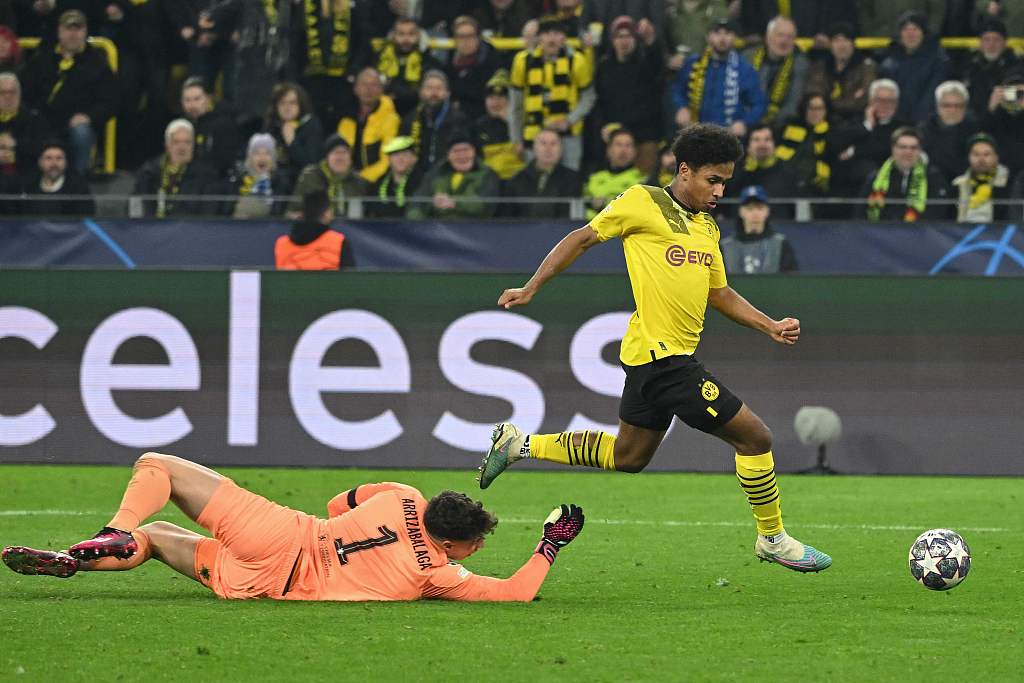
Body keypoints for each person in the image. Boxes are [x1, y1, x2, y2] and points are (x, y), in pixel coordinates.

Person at [477, 123, 831, 574]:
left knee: (629, 457)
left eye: (726, 181)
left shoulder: (706, 228)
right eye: (713, 180)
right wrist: (531, 287)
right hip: (664, 360)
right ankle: (773, 538)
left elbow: (718, 293)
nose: (721, 190)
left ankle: (519, 445)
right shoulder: (642, 201)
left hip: (652, 358)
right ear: (685, 171)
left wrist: (769, 326)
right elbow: (583, 237)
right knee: (756, 436)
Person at [2, 451, 585, 602]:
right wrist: (551, 542)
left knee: (158, 472)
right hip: (265, 587)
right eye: (477, 541)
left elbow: (337, 505)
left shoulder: (405, 496)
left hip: (283, 534)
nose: (479, 548)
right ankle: (97, 550)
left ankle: (114, 530)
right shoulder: (437, 573)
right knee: (161, 545)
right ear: (452, 541)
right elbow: (515, 591)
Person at [19, 9, 117, 175]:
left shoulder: (98, 64)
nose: (73, 34)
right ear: (59, 31)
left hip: (74, 125)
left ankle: (78, 182)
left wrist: (89, 117)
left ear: (85, 32)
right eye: (68, 29)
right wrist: (32, 115)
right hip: (42, 121)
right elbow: (24, 91)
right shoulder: (42, 58)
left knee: (82, 133)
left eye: (78, 29)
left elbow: (111, 102)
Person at [509, 16, 595, 171]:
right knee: (534, 180)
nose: (552, 39)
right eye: (547, 33)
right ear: (539, 37)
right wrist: (516, 139)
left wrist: (569, 120)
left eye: (557, 33)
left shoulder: (577, 61)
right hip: (534, 131)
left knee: (570, 178)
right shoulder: (522, 61)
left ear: (563, 37)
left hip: (568, 134)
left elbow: (588, 97)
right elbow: (516, 104)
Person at [670, 19, 766, 139]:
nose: (722, 38)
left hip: (729, 138)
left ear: (735, 37)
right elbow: (677, 90)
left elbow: (759, 103)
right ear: (708, 37)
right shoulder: (693, 64)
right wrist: (681, 107)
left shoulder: (745, 70)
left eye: (727, 33)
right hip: (694, 135)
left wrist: (744, 123)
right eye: (717, 33)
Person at [594, 15, 664, 177]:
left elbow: (657, 63)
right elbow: (600, 100)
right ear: (612, 40)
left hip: (645, 136)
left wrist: (651, 40)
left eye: (629, 36)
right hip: (616, 136)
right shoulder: (604, 67)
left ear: (635, 39)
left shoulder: (646, 62)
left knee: (645, 186)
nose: (624, 41)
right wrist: (604, 126)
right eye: (619, 36)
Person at [133, 119, 219, 219]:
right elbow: (135, 203)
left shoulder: (206, 175)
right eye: (176, 142)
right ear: (167, 145)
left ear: (193, 146)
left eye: (187, 142)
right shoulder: (149, 172)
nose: (182, 147)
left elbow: (209, 213)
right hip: (151, 228)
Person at [876, 11, 948, 125]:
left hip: (925, 123)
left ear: (923, 33)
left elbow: (931, 96)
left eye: (915, 29)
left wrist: (920, 121)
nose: (910, 34)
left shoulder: (937, 61)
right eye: (906, 30)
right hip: (895, 122)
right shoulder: (889, 63)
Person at [863, 126, 949, 222]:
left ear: (920, 150)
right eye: (902, 147)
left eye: (913, 148)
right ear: (893, 149)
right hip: (877, 233)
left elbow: (937, 213)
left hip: (921, 233)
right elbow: (860, 212)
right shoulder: (875, 177)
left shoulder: (934, 177)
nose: (908, 152)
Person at [407, 132, 501, 220]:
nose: (461, 156)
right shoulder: (436, 173)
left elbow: (484, 204)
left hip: (475, 230)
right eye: (456, 151)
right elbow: (418, 201)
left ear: (474, 152)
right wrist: (416, 223)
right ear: (448, 155)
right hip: (437, 230)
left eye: (466, 150)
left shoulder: (487, 174)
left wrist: (454, 203)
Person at [804, 22, 877, 127]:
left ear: (853, 44)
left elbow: (863, 101)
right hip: (824, 122)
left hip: (857, 123)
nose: (841, 45)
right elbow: (814, 95)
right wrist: (849, 100)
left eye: (846, 40)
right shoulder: (820, 67)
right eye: (837, 40)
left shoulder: (867, 67)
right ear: (830, 45)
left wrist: (830, 103)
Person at [336, 66, 400, 184]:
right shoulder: (346, 120)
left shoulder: (391, 119)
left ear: (381, 90)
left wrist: (361, 179)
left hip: (377, 182)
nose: (368, 89)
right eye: (364, 84)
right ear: (355, 89)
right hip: (347, 181)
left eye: (374, 85)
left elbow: (387, 161)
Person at [742, 15, 809, 126]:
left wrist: (769, 124)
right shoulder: (748, 57)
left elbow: (794, 102)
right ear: (768, 37)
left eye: (790, 37)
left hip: (780, 124)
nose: (784, 41)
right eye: (780, 35)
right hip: (746, 121)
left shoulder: (800, 63)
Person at [503, 127, 581, 219]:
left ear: (561, 149)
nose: (548, 149)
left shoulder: (573, 179)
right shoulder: (516, 180)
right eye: (543, 143)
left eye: (553, 144)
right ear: (534, 148)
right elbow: (506, 219)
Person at [287, 134, 371, 219]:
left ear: (350, 157)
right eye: (335, 152)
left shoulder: (359, 182)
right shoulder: (310, 177)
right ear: (327, 157)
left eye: (344, 152)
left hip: (352, 230)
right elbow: (292, 213)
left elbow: (369, 215)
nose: (340, 157)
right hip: (316, 229)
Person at [720, 185, 798, 274]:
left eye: (760, 208)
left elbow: (791, 281)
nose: (755, 214)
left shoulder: (780, 244)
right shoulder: (726, 247)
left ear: (767, 211)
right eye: (750, 209)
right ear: (741, 212)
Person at [376, 17, 442, 118]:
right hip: (382, 114)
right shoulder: (379, 58)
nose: (406, 39)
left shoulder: (429, 62)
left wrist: (395, 92)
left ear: (419, 35)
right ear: (393, 35)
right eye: (401, 34)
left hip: (417, 115)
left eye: (411, 34)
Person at [263, 82, 325, 189]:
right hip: (272, 186)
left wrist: (292, 142)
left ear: (301, 105)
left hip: (302, 188)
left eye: (292, 103)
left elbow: (311, 165)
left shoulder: (311, 125)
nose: (287, 107)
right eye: (282, 103)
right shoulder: (271, 127)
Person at [443, 15, 503, 124]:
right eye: (461, 36)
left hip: (484, 114)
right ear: (455, 39)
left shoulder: (492, 59)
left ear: (478, 37)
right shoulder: (450, 59)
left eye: (470, 36)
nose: (465, 41)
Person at [180, 76, 243, 176]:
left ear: (209, 98)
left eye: (197, 99)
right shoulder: (181, 126)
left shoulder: (224, 124)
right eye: (187, 100)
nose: (192, 105)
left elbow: (225, 162)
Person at [920, 81, 979, 185]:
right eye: (947, 105)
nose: (952, 110)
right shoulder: (923, 131)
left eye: (958, 106)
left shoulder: (976, 132)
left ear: (966, 107)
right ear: (937, 106)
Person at [473, 69, 525, 181]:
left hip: (517, 180)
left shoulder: (523, 124)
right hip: (488, 181)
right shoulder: (478, 125)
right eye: (491, 98)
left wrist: (510, 121)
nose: (495, 103)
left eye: (500, 98)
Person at [583, 127, 646, 219]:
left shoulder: (643, 181)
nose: (623, 150)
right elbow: (580, 207)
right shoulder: (592, 179)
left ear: (635, 151)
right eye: (618, 145)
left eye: (628, 145)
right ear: (608, 150)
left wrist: (603, 206)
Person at [224, 133, 290, 219]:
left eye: (267, 154)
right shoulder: (238, 179)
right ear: (250, 158)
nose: (262, 158)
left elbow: (281, 211)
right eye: (257, 153)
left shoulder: (280, 181)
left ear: (273, 158)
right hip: (238, 225)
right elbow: (226, 209)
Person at [275, 189, 345, 270]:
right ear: (326, 214)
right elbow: (352, 280)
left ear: (302, 213)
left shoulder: (281, 244)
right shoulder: (339, 242)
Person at [21, 141, 95, 216]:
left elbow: (85, 221)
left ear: (66, 162)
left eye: (59, 158)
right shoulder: (29, 187)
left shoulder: (79, 189)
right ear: (40, 162)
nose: (54, 163)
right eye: (48, 158)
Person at [953, 133, 1012, 223]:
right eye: (976, 154)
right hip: (962, 234)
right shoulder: (958, 184)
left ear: (996, 158)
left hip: (997, 234)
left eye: (986, 154)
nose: (981, 159)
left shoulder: (1007, 184)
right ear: (969, 157)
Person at [365, 135, 422, 218]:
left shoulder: (422, 181)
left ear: (414, 158)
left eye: (405, 154)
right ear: (389, 159)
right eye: (396, 154)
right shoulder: (379, 182)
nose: (400, 158)